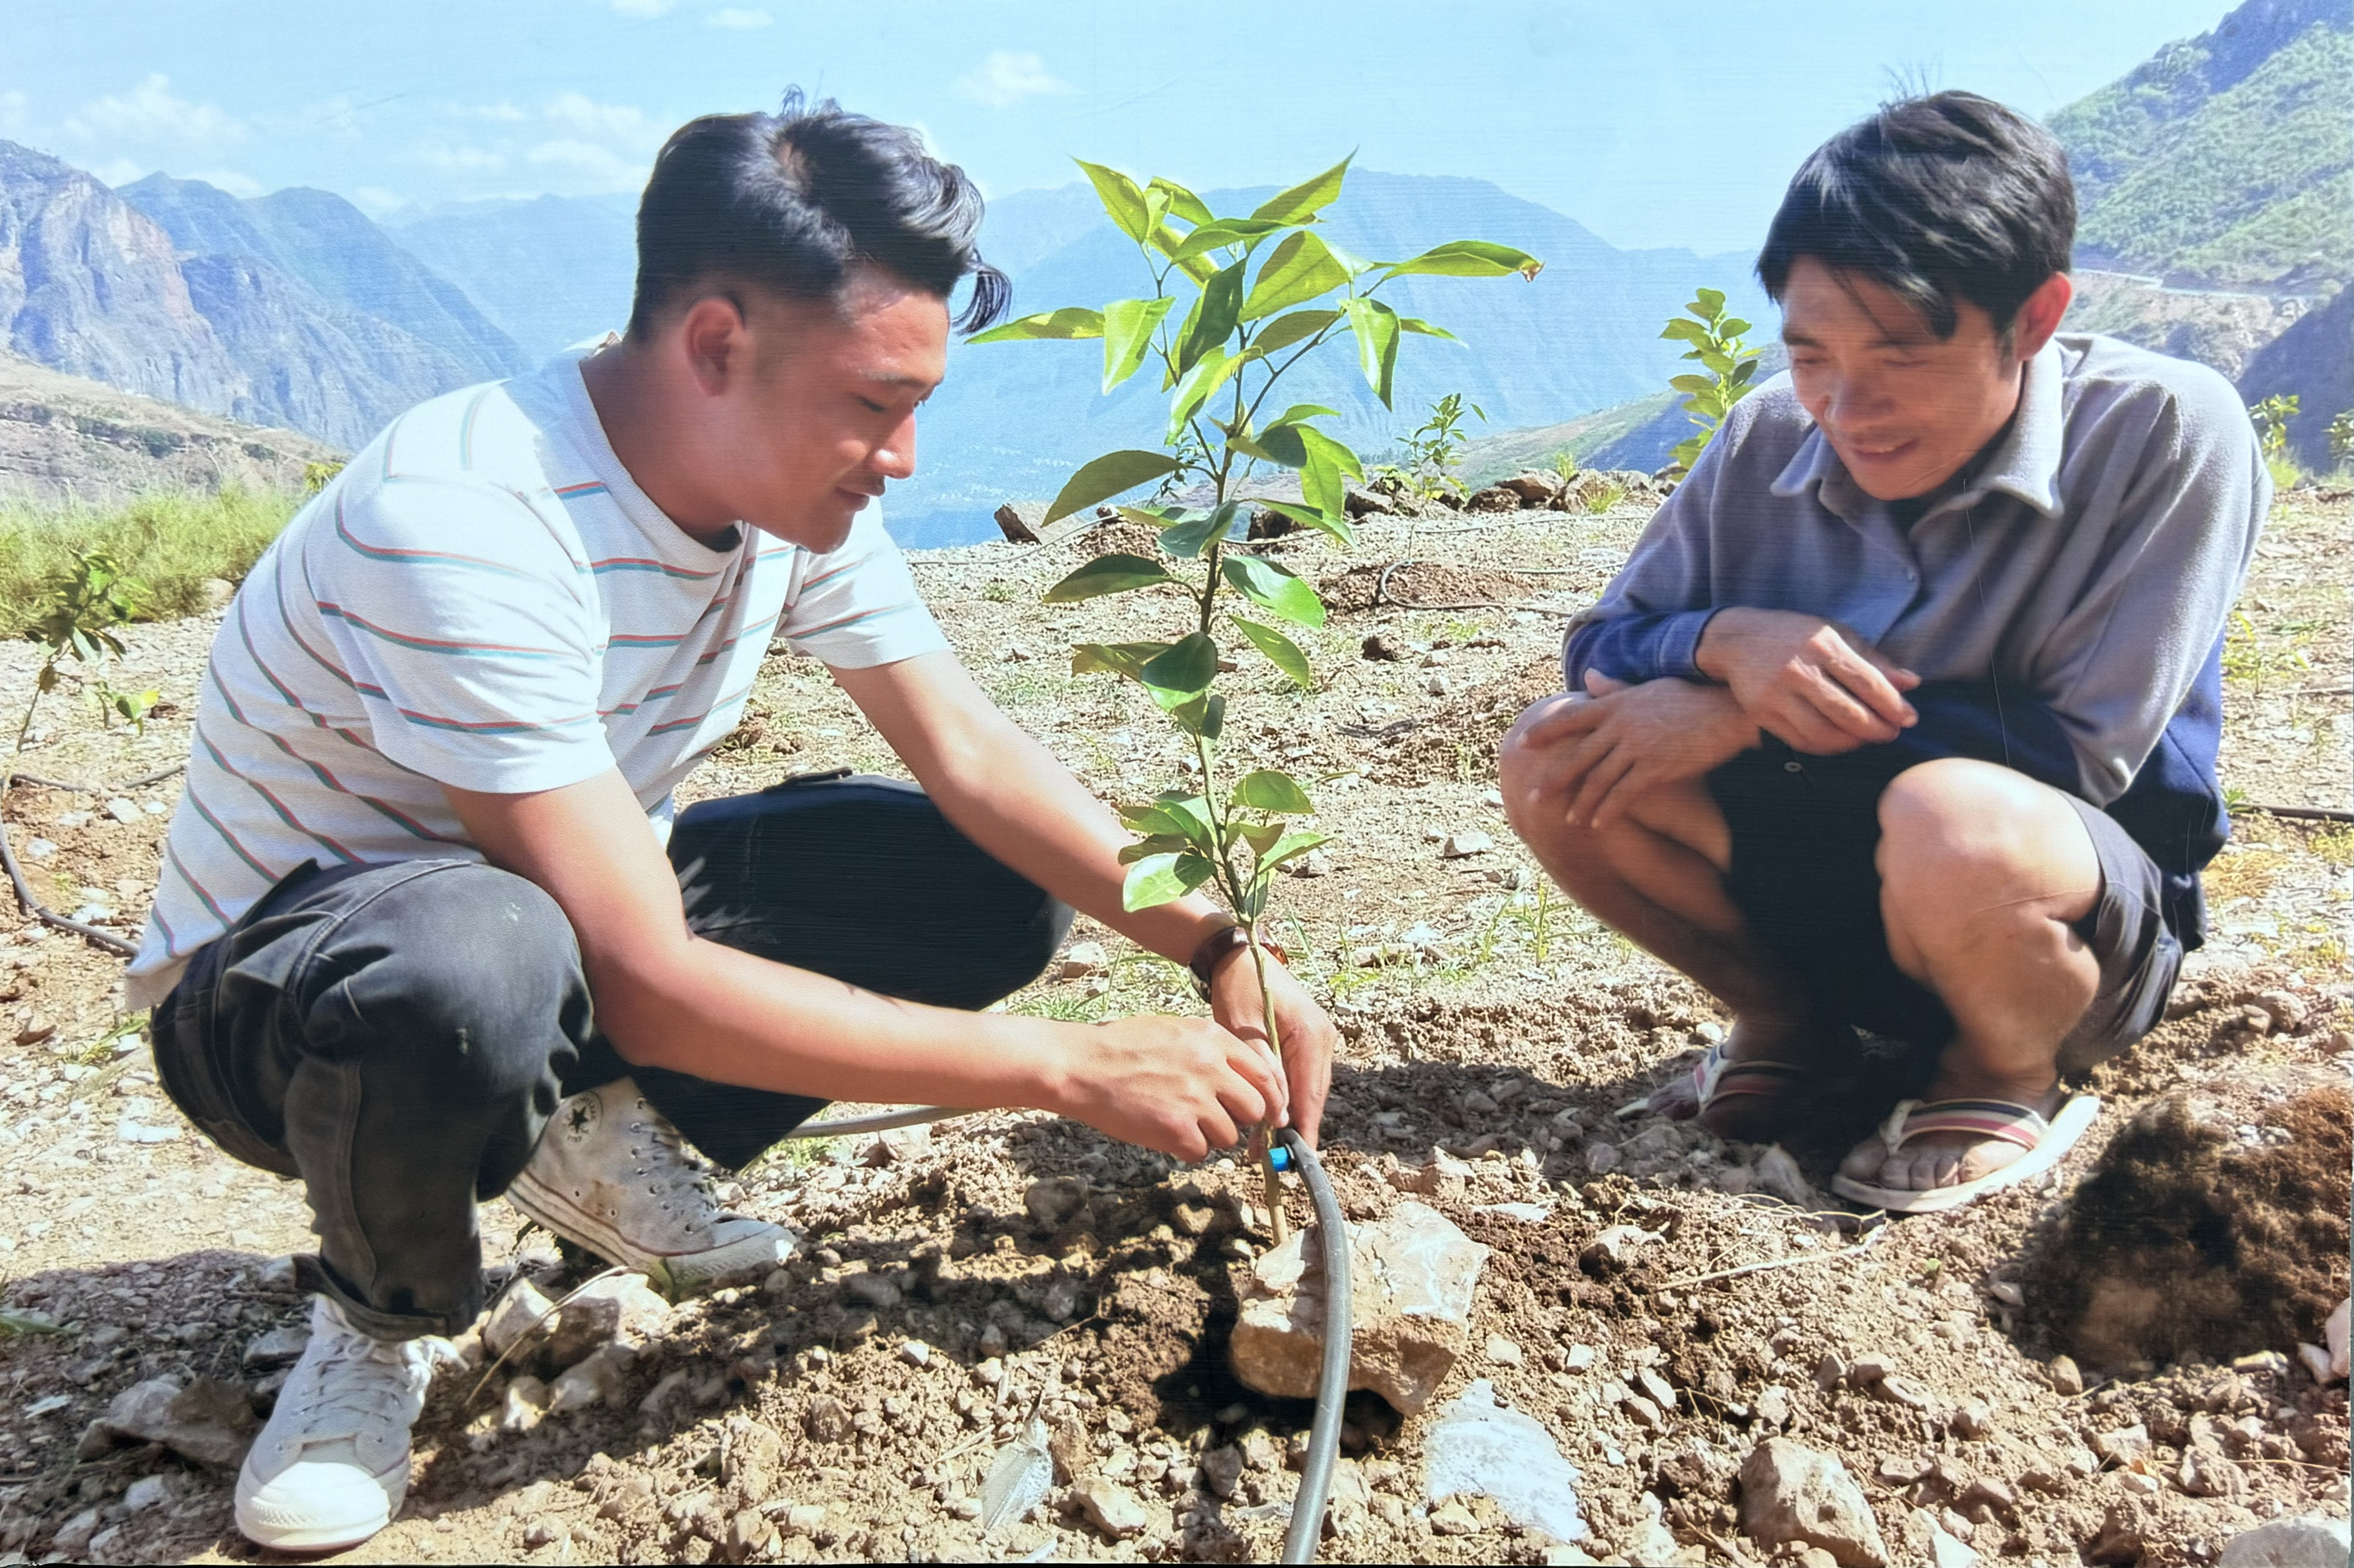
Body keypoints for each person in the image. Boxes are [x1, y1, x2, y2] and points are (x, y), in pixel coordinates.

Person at [128, 92, 1334, 1553]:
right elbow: (640, 974)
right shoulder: (463, 518)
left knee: (986, 885)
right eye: (875, 404)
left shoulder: (778, 483)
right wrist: (1065, 1067)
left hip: (561, 903)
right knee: (473, 965)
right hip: (287, 992)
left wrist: (1218, 940)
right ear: (716, 344)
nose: (897, 457)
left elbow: (968, 751)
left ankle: (590, 1132)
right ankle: (376, 1317)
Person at [1499, 91, 2265, 1218]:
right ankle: (1789, 1026)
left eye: (1903, 351)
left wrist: (1745, 715)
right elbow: (1603, 649)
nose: (1849, 408)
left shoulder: (2165, 429)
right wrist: (1724, 641)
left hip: (2050, 910)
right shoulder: (1771, 432)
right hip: (1840, 883)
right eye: (1812, 356)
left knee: (1957, 818)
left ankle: (2004, 1070)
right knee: (1554, 758)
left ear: (2037, 315)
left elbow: (2078, 756)